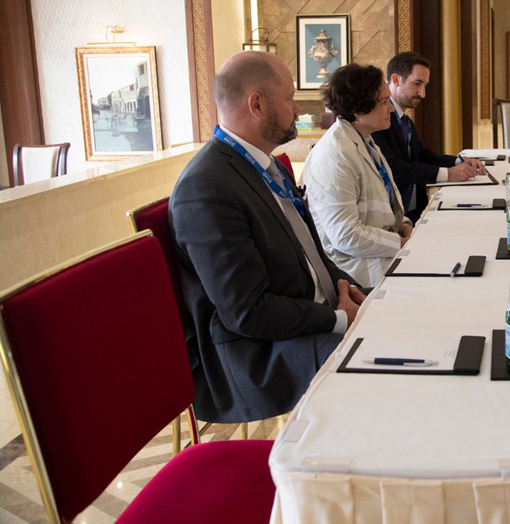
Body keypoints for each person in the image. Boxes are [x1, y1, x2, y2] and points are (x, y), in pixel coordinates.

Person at [170, 51, 365, 423]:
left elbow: (312, 254)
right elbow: (247, 312)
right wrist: (337, 317)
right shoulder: (206, 187)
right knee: (372, 356)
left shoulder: (268, 164)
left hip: (305, 315)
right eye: (289, 98)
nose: (296, 109)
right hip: (255, 355)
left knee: (394, 316)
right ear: (256, 104)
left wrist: (355, 293)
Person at [302, 64, 412, 288]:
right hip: (357, 273)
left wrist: (406, 227)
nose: (390, 109)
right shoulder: (335, 155)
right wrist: (401, 243)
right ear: (357, 109)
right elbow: (345, 235)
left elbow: (387, 202)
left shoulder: (365, 140)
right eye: (383, 102)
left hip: (381, 255)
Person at [372, 52, 486, 222]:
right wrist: (449, 174)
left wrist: (459, 161)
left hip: (415, 212)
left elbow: (424, 156)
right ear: (395, 80)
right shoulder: (378, 121)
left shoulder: (406, 121)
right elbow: (395, 169)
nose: (423, 93)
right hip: (395, 218)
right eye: (417, 84)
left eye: (425, 85)